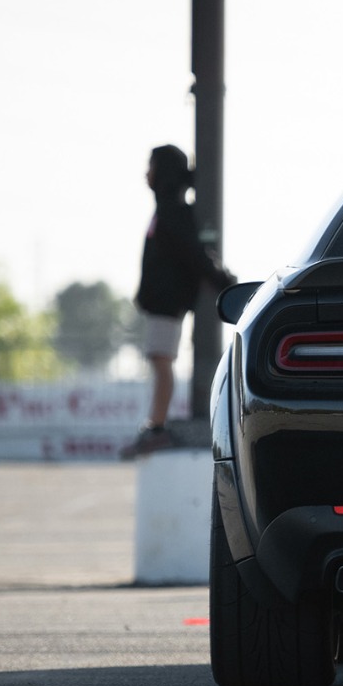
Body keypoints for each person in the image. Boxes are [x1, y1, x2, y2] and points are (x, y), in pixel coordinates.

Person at [121, 145, 234, 459]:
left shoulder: (173, 211)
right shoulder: (168, 209)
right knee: (160, 360)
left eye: (152, 165)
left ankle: (156, 428)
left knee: (161, 362)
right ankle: (155, 426)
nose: (146, 173)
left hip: (167, 302)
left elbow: (193, 253)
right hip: (162, 301)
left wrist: (223, 281)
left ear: (164, 171)